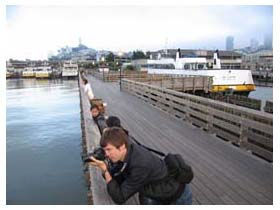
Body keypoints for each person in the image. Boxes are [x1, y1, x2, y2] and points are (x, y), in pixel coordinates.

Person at [88, 127, 192, 205]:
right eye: (104, 150)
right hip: (155, 188)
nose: (106, 154)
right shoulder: (127, 150)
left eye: (109, 150)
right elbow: (116, 179)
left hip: (176, 195)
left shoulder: (139, 165)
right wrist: (105, 168)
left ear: (122, 147)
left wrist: (105, 170)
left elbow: (119, 198)